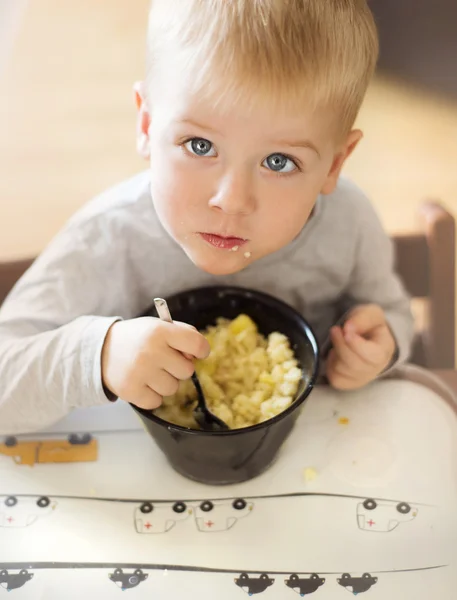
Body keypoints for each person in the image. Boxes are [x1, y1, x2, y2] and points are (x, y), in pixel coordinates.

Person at [0, 0, 414, 435]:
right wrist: (97, 357)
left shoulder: (348, 222)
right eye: (200, 146)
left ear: (334, 165)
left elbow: (390, 314)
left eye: (278, 161)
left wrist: (381, 349)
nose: (231, 201)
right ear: (146, 125)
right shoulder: (107, 237)